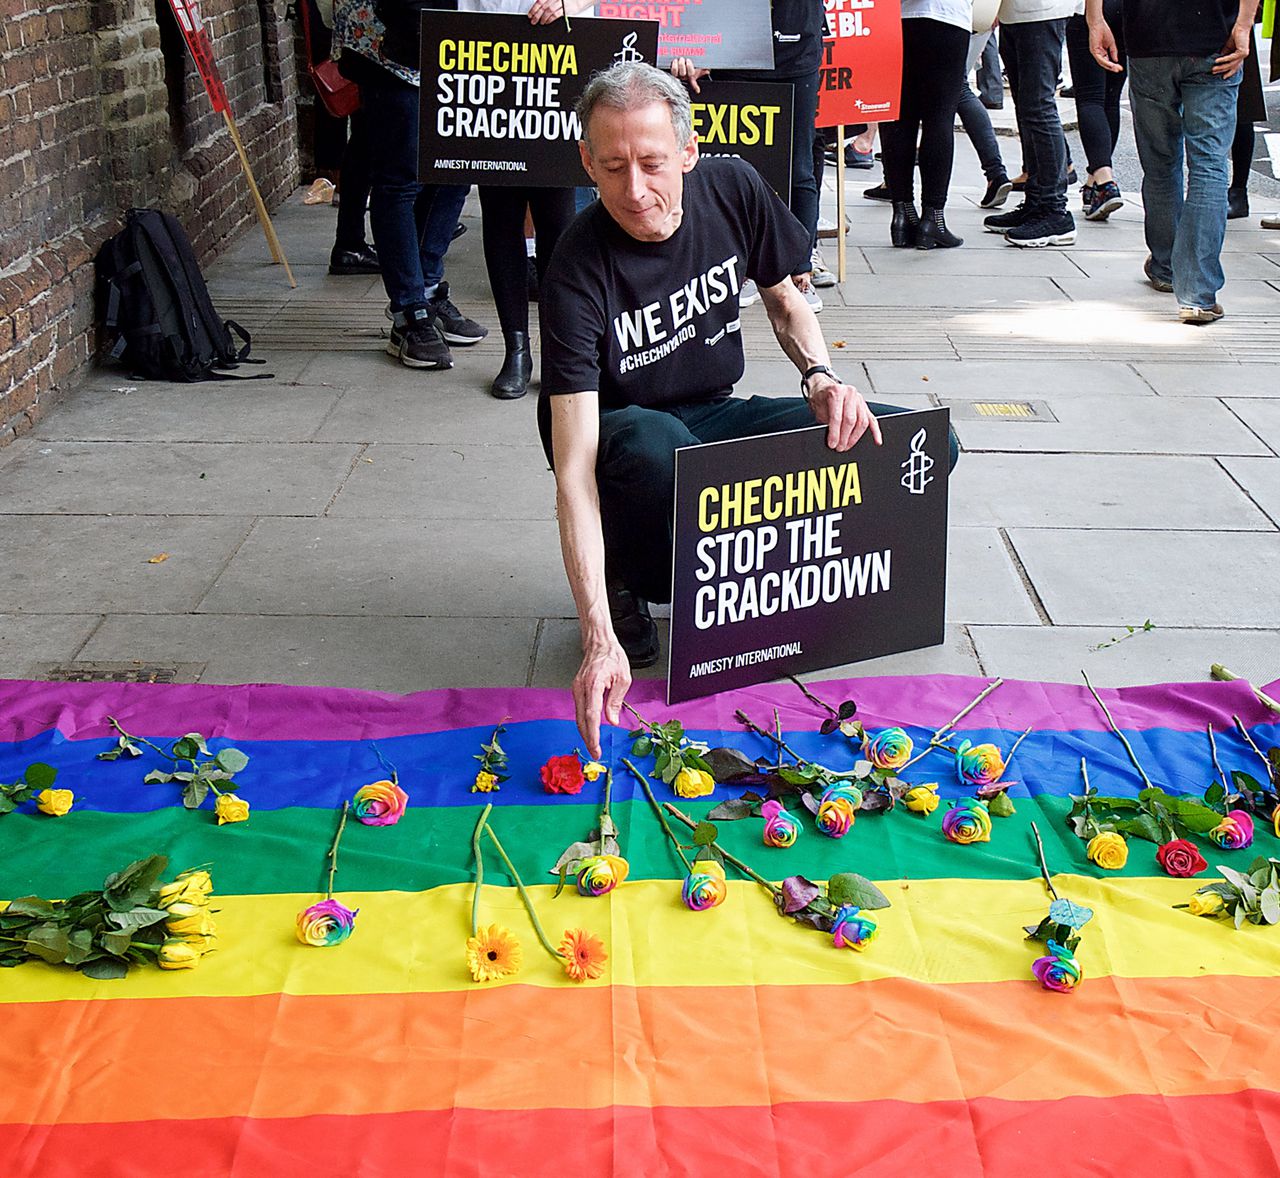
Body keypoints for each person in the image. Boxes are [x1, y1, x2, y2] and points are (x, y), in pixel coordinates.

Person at [537, 63, 957, 757]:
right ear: (586, 161)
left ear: (689, 151)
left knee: (917, 446)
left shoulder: (732, 187)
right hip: (621, 438)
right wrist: (595, 637)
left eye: (651, 163)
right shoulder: (575, 267)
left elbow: (787, 298)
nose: (634, 190)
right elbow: (572, 472)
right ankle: (627, 576)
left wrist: (822, 379)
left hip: (715, 412)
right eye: (612, 168)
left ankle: (792, 589)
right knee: (656, 447)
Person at [335, 0, 488, 368]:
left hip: (461, 44)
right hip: (394, 43)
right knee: (401, 178)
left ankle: (428, 290)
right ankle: (408, 313)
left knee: (457, 170)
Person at [1088, 0, 1259, 323]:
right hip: (1213, 38)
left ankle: (1166, 266)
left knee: (1160, 162)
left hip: (1148, 39)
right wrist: (1243, 25)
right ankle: (1197, 293)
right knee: (1209, 166)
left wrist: (1095, 19)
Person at [460, 0, 593, 399]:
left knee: (558, 220)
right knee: (500, 217)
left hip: (561, 56)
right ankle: (516, 349)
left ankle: (559, 349)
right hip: (489, 53)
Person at [671, 0, 828, 311]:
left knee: (797, 167)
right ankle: (739, 266)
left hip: (794, 47)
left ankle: (799, 270)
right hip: (734, 48)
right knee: (732, 162)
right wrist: (703, 46)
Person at [983, 0, 1081, 248]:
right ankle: (1036, 202)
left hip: (1042, 11)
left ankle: (1054, 211)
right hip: (1014, 13)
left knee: (1038, 107)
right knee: (1028, 109)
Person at [880, 0, 973, 249]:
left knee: (898, 118)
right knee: (939, 118)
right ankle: (933, 219)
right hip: (947, 16)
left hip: (893, 18)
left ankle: (902, 215)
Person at [1064, 1, 1126, 220]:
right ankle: (1094, 183)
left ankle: (1105, 181)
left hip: (1091, 10)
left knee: (1090, 97)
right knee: (1111, 99)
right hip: (1126, 11)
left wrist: (1094, 17)